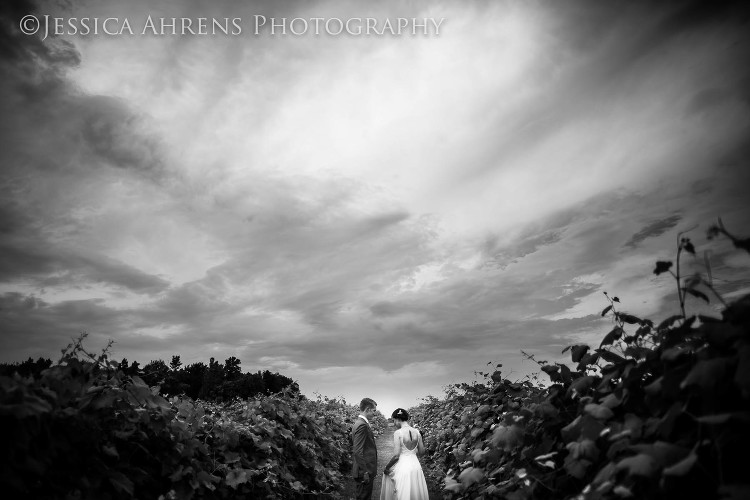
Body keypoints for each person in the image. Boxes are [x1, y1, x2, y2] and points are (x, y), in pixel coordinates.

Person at [380, 408, 429, 500]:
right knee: (415, 492)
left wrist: (387, 468)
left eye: (394, 420)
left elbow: (396, 456)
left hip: (403, 467)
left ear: (397, 419)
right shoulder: (417, 432)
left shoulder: (398, 433)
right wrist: (412, 451)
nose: (394, 423)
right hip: (416, 466)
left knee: (402, 493)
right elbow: (422, 452)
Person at [352, 397, 379, 500]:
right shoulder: (362, 425)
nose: (374, 413)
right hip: (364, 470)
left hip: (364, 469)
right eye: (373, 411)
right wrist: (365, 472)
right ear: (367, 409)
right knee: (363, 497)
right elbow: (357, 451)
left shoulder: (359, 423)